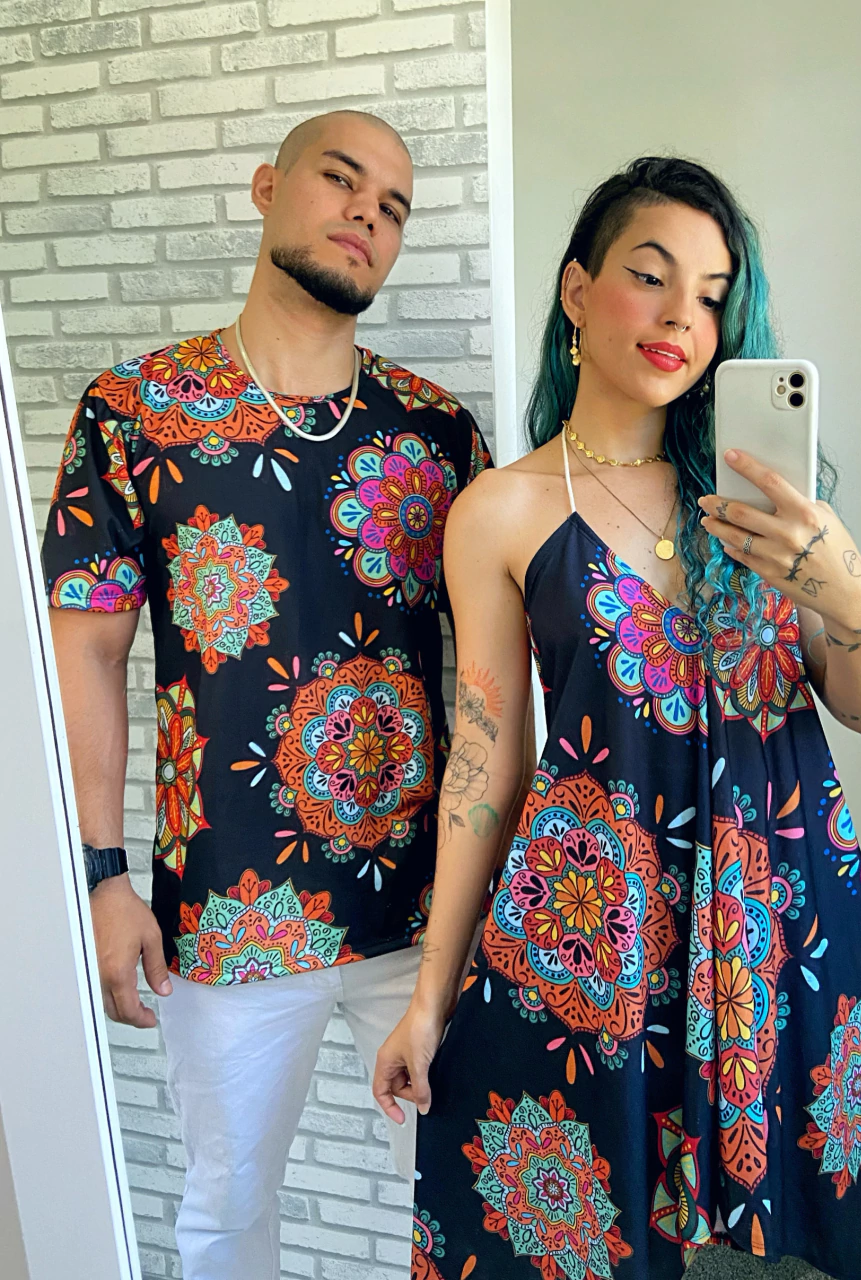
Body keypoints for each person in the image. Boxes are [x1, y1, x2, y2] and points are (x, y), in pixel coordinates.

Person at [374, 157, 861, 1280]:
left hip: (781, 911)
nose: (681, 315)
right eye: (651, 276)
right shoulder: (500, 510)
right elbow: (484, 767)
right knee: (577, 1234)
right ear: (576, 290)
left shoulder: (767, 501)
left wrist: (850, 592)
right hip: (594, 930)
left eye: (712, 295)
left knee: (813, 1238)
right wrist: (428, 998)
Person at [42, 109, 500, 1280]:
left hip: (423, 909)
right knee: (226, 1209)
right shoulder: (133, 412)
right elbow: (85, 653)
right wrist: (101, 874)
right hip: (227, 912)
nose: (365, 215)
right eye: (342, 180)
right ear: (266, 185)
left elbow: (501, 678)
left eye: (393, 207)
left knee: (465, 1199)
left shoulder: (439, 433)